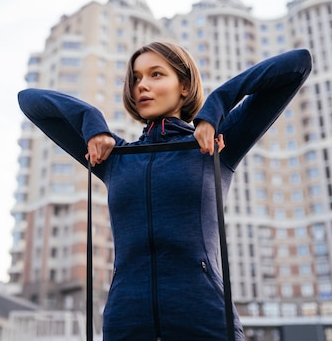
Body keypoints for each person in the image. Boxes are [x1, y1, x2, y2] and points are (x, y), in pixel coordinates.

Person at [18, 42, 312, 341]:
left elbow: (297, 64)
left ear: (184, 86)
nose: (142, 85)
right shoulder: (114, 157)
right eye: (135, 78)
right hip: (125, 322)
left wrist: (216, 108)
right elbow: (29, 100)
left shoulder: (213, 146)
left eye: (156, 74)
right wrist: (91, 122)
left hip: (204, 319)